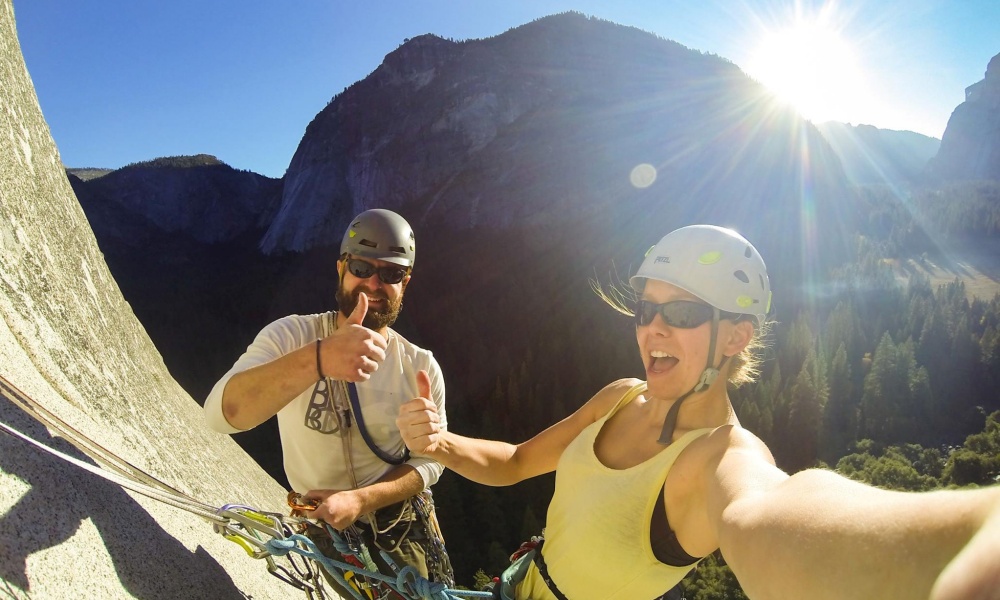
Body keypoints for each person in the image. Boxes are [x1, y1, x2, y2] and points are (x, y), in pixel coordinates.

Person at [397, 224, 1000, 600]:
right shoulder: (621, 395)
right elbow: (518, 461)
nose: (654, 327)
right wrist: (439, 442)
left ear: (735, 338)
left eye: (682, 313)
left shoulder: (721, 457)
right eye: (647, 310)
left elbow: (772, 513)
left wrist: (957, 545)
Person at [205, 208, 453, 596]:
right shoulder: (291, 336)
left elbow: (433, 460)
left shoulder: (419, 366)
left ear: (406, 282)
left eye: (390, 274)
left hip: (400, 523)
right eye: (361, 266)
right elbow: (223, 415)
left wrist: (361, 499)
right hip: (323, 525)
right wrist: (318, 358)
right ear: (341, 268)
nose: (373, 282)